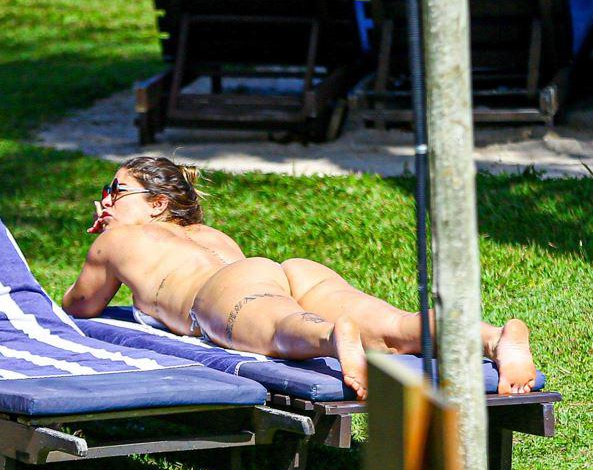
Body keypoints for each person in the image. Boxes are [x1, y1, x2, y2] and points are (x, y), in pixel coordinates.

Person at [62, 156, 537, 400]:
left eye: (115, 191)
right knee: (394, 332)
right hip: (284, 271)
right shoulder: (207, 234)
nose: (105, 201)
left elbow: (80, 306)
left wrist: (104, 233)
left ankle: (331, 337)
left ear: (157, 203)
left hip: (221, 295)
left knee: (280, 329)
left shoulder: (117, 241)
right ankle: (494, 339)